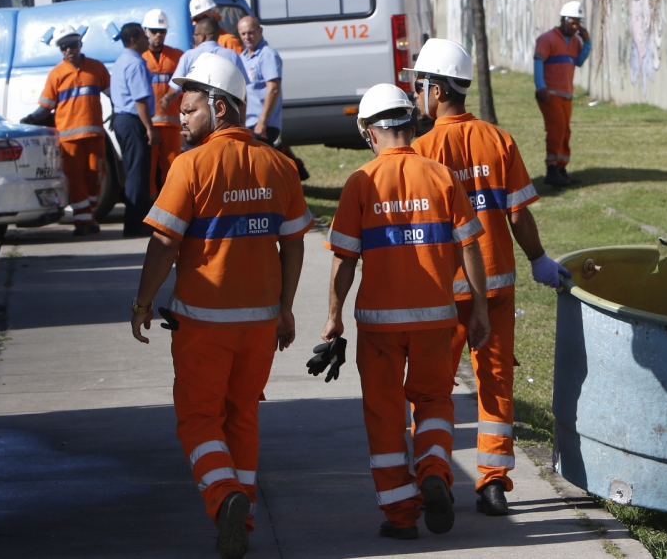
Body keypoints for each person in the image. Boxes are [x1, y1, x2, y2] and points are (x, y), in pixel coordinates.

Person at [130, 52, 312, 559]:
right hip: (261, 324)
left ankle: (224, 495)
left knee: (198, 419)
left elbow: (164, 243)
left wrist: (143, 302)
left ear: (220, 107)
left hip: (204, 324)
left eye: (189, 110)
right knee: (242, 417)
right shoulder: (279, 165)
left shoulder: (190, 166)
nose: (181, 119)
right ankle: (241, 519)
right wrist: (285, 308)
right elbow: (293, 244)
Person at [320, 83, 491, 541]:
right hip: (435, 318)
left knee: (384, 413)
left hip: (379, 324)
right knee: (433, 400)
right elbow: (470, 246)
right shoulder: (442, 176)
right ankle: (434, 469)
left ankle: (401, 516)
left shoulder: (361, 182)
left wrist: (334, 315)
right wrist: (478, 308)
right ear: (412, 127)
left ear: (370, 133)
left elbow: (344, 259)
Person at [410, 38, 570, 515]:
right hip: (496, 284)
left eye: (419, 86)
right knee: (495, 382)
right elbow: (518, 213)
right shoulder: (499, 141)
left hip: (442, 294)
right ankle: (494, 482)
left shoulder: (421, 151)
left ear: (438, 90)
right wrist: (539, 259)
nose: (416, 94)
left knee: (433, 388)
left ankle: (434, 471)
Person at [33, 24, 110, 236]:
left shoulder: (97, 68)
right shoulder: (56, 74)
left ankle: (89, 216)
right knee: (76, 181)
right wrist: (30, 119)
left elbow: (115, 94)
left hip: (95, 136)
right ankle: (82, 222)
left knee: (96, 177)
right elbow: (45, 107)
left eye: (72, 45)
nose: (69, 50)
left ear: (80, 43)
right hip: (69, 140)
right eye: (63, 46)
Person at [533, 1, 591, 187]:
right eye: (573, 23)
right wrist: (540, 86)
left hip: (566, 94)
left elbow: (579, 61)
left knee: (565, 131)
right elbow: (538, 62)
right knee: (556, 129)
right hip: (550, 93)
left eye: (578, 24)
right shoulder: (547, 39)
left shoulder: (575, 42)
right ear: (564, 20)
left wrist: (587, 43)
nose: (576, 27)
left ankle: (561, 169)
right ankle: (551, 170)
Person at [110, 22, 158, 237]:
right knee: (138, 173)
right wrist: (149, 128)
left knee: (134, 171)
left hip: (122, 120)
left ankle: (136, 221)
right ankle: (135, 224)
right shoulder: (136, 63)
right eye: (144, 36)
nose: (148, 40)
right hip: (132, 121)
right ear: (133, 40)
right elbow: (140, 100)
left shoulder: (122, 60)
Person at [160, 17, 249, 114]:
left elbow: (175, 90)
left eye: (195, 34)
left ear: (202, 36)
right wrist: (242, 118)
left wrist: (166, 99)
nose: (194, 37)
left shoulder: (189, 56)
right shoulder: (232, 56)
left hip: (197, 114)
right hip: (224, 113)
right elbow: (243, 90)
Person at [141, 9, 185, 197]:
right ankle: (151, 203)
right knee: (148, 168)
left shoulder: (176, 56)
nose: (158, 35)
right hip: (148, 124)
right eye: (154, 31)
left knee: (172, 166)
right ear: (145, 31)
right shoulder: (140, 58)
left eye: (162, 31)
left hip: (171, 123)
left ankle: (172, 202)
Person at [237, 17, 283, 145]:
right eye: (243, 34)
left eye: (250, 32)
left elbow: (274, 88)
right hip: (248, 123)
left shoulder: (267, 55)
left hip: (262, 125)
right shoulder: (242, 58)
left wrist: (262, 121)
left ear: (260, 31)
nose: (247, 37)